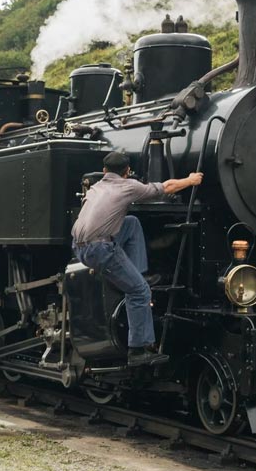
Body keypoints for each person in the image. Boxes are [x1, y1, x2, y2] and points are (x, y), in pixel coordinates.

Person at [71, 150, 203, 366]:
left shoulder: (95, 187)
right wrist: (190, 180)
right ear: (127, 172)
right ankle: (138, 350)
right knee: (140, 291)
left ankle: (139, 273)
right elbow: (167, 188)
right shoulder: (128, 186)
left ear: (104, 171)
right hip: (100, 249)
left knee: (131, 223)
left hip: (79, 245)